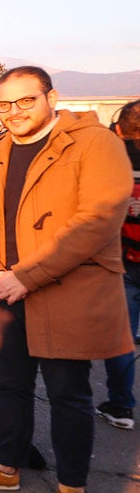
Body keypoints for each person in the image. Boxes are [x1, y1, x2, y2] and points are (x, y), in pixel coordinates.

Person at [0, 67, 133, 493]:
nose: (14, 112)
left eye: (25, 100)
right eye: (5, 104)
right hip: (1, 291)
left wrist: (26, 277)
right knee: (10, 385)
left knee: (68, 393)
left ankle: (73, 491)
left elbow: (98, 221)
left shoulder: (94, 144)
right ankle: (4, 465)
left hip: (65, 291)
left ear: (51, 97)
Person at [99, 99, 140, 430]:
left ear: (119, 129)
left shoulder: (112, 159)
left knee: (121, 336)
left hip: (125, 258)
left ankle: (121, 405)